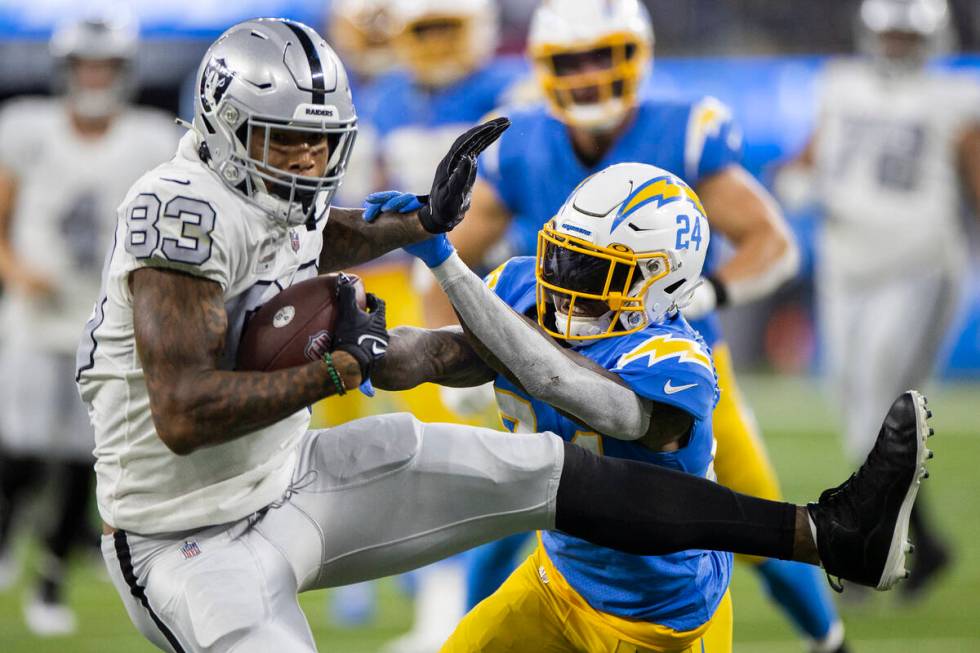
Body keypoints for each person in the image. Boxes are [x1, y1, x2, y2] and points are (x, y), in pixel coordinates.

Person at [80, 18, 927, 652]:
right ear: (224, 126)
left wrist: (418, 221)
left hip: (291, 477)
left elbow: (315, 232)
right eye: (287, 143)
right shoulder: (176, 210)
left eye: (318, 144)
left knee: (548, 470)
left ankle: (827, 532)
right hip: (186, 535)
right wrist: (342, 367)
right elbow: (184, 410)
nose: (306, 164)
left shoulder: (266, 195)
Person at [426, 1, 847, 650]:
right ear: (544, 68)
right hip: (549, 345)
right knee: (507, 510)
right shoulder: (525, 145)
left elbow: (773, 241)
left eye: (603, 55)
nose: (589, 75)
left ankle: (830, 638)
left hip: (658, 371)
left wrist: (708, 292)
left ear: (636, 55)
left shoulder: (680, 129)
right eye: (572, 60)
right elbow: (453, 254)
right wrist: (454, 359)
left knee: (748, 508)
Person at [779, 0, 980, 598]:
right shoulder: (839, 86)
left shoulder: (953, 96)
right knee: (856, 413)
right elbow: (809, 160)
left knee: (879, 410)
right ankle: (927, 544)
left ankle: (869, 543)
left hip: (917, 264)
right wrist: (798, 181)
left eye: (905, 36)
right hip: (847, 270)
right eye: (888, 35)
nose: (894, 46)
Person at [0, 15, 177, 635]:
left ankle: (48, 581)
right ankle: (5, 538)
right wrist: (16, 269)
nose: (95, 78)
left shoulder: (149, 140)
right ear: (67, 71)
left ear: (123, 73)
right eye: (86, 66)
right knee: (17, 451)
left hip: (101, 325)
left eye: (106, 67)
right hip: (34, 317)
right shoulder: (29, 130)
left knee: (84, 460)